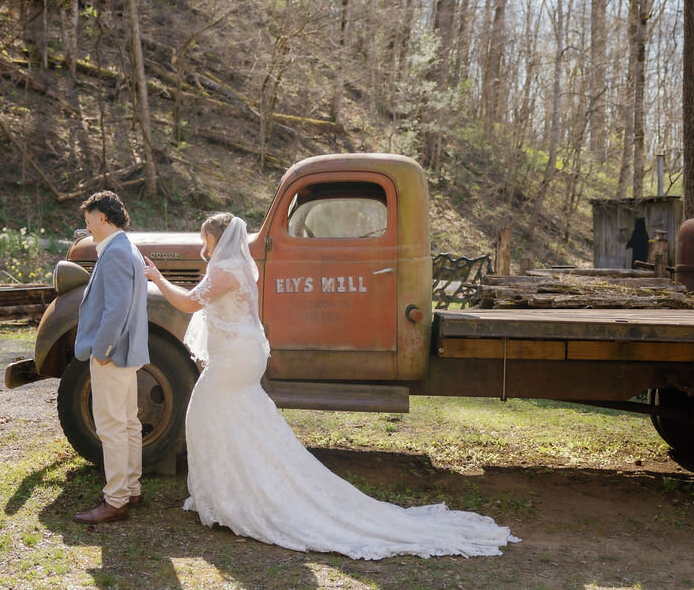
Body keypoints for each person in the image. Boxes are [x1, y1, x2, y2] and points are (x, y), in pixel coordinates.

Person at [144, 212, 520, 558]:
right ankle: (228, 494)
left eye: (205, 239)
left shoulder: (225, 269)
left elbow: (191, 304)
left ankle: (239, 498)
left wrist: (158, 279)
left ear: (218, 239)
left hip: (235, 360)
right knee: (239, 420)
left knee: (207, 412)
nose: (201, 247)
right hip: (240, 356)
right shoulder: (237, 265)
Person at [73, 191, 150, 524]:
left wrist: (102, 350)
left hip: (113, 354)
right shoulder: (126, 248)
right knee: (129, 423)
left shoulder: (116, 252)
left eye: (88, 219)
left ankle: (116, 499)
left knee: (112, 426)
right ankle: (130, 489)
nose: (87, 226)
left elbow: (116, 308)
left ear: (101, 217)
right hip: (127, 351)